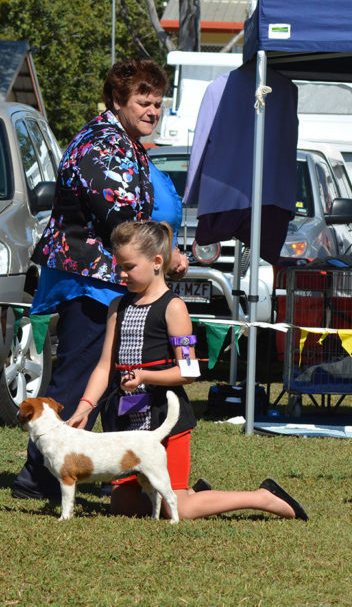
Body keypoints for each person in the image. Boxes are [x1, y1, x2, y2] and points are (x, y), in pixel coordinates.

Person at [13, 58, 190, 503]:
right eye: (143, 102)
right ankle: (39, 478)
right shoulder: (101, 145)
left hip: (111, 280)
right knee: (78, 379)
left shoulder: (124, 141)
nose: (152, 111)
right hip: (89, 280)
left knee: (110, 382)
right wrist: (163, 255)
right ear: (117, 100)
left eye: (158, 103)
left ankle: (114, 475)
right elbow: (122, 222)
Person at [66, 221, 307, 521]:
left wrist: (145, 376)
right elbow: (104, 366)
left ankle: (263, 497)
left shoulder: (174, 308)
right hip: (127, 423)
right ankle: (193, 494)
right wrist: (85, 407)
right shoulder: (118, 306)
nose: (121, 274)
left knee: (175, 509)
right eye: (119, 267)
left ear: (156, 262)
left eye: (128, 266)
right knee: (122, 506)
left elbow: (189, 371)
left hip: (166, 420)